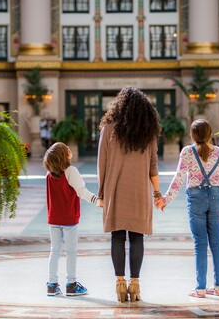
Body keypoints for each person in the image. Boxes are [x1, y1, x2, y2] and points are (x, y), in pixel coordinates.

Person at [97, 86, 162, 303]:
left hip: (115, 189)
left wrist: (101, 193)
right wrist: (156, 192)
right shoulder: (148, 132)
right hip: (139, 191)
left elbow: (102, 165)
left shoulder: (108, 129)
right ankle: (135, 284)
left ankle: (119, 284)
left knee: (117, 235)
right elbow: (153, 166)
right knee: (136, 236)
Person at [159, 119, 219, 298]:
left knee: (200, 244)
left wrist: (166, 199)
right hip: (215, 197)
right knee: (216, 243)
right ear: (210, 133)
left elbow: (179, 178)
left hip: (196, 197)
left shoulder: (187, 152)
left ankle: (200, 289)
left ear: (192, 135)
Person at [43, 142, 102, 297]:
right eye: (66, 148)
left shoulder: (49, 175)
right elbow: (81, 191)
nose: (69, 149)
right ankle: (71, 284)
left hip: (53, 218)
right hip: (69, 218)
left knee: (54, 251)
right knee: (71, 251)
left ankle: (52, 285)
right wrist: (96, 200)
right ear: (63, 155)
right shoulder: (71, 171)